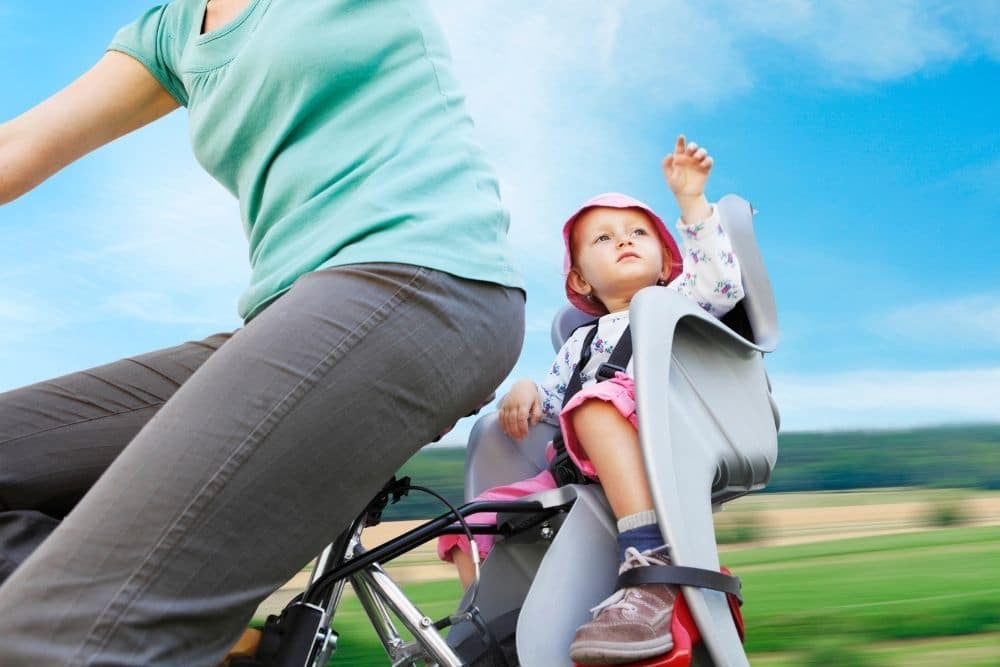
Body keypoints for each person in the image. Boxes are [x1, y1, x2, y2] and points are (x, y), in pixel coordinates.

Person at [0, 1, 525, 664]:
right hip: (287, 316)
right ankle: (228, 643)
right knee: (59, 608)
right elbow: (14, 148)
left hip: (423, 282)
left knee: (48, 636)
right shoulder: (171, 31)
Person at [437, 135, 744, 664]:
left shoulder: (677, 306)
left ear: (666, 260)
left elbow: (722, 286)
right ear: (580, 276)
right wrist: (527, 388)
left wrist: (692, 203)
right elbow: (555, 404)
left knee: (597, 404)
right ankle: (479, 609)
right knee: (468, 518)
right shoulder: (580, 342)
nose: (623, 240)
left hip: (657, 435)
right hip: (578, 461)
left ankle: (650, 558)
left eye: (638, 232)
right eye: (603, 238)